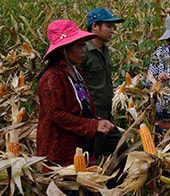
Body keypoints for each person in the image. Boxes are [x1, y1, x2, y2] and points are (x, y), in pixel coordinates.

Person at [36, 20, 115, 170]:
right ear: (63, 50)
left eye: (84, 45)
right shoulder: (52, 78)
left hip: (80, 147)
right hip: (60, 150)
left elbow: (83, 106)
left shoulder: (77, 72)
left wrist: (98, 120)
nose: (83, 51)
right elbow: (56, 114)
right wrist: (92, 125)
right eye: (79, 46)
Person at [81, 7, 125, 158]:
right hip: (91, 117)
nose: (112, 31)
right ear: (94, 26)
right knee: (90, 159)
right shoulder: (83, 51)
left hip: (106, 115)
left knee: (122, 153)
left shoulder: (105, 50)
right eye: (108, 26)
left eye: (113, 27)